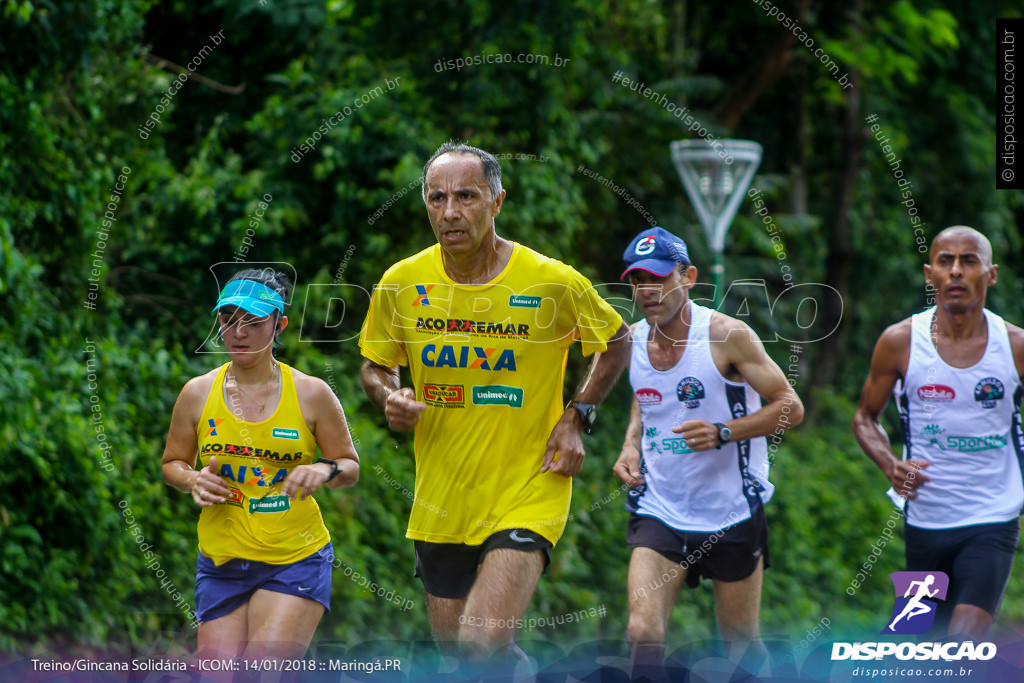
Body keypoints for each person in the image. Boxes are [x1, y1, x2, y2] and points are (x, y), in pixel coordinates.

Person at [358, 142, 629, 667]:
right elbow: (375, 364)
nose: (450, 212)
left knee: (478, 645)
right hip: (441, 501)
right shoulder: (401, 282)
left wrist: (578, 415)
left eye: (466, 196)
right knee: (465, 661)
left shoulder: (550, 281)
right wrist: (390, 395)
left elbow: (615, 340)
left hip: (530, 487)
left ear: (497, 202)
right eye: (436, 198)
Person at [611, 227, 803, 678]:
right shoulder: (632, 340)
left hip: (731, 512)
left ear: (689, 276)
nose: (647, 290)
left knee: (739, 644)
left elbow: (791, 409)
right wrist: (630, 443)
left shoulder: (727, 336)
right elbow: (649, 395)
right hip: (661, 510)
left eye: (659, 277)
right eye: (638, 281)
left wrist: (724, 431)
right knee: (642, 633)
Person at [161, 268, 360, 660]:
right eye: (229, 319)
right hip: (222, 560)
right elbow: (172, 463)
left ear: (280, 324)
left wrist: (324, 469)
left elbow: (349, 465)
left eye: (253, 321)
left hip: (294, 559)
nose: (238, 332)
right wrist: (192, 481)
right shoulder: (197, 393)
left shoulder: (311, 393)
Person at [853, 226, 1024, 641]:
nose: (957, 272)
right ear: (930, 275)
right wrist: (891, 465)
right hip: (926, 517)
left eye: (969, 261)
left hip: (993, 513)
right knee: (919, 642)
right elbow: (864, 418)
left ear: (991, 274)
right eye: (945, 262)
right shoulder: (899, 342)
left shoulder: (1016, 345)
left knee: (964, 639)